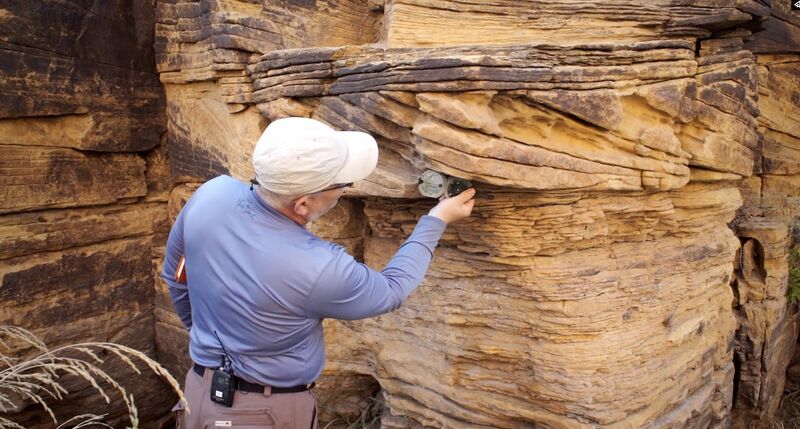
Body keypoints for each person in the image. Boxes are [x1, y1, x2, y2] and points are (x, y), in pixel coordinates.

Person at [162, 117, 475, 428]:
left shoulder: (210, 195)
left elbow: (176, 279)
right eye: (343, 185)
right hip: (261, 414)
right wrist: (437, 219)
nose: (344, 191)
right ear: (302, 204)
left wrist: (212, 341)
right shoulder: (316, 267)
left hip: (197, 391)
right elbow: (391, 290)